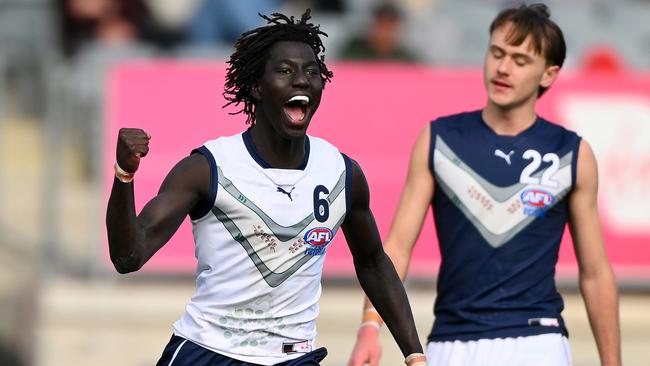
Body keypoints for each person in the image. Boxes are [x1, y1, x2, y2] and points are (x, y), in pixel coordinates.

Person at [106, 9, 427, 366]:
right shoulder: (207, 168)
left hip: (294, 357)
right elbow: (128, 257)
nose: (301, 81)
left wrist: (414, 355)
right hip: (209, 354)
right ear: (257, 87)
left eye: (310, 72)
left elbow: (372, 262)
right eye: (285, 71)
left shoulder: (341, 173)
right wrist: (124, 175)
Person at [348, 3, 621, 366]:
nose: (503, 68)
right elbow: (396, 248)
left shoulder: (572, 154)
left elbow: (596, 273)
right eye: (497, 53)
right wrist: (370, 326)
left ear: (549, 75)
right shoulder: (438, 138)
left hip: (539, 341)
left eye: (520, 60)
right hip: (451, 341)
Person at [338, 2, 419, 62]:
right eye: (381, 25)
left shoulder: (406, 58)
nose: (384, 33)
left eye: (390, 27)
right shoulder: (353, 50)